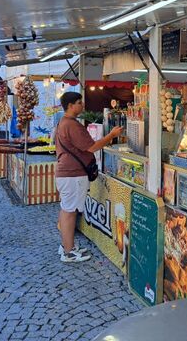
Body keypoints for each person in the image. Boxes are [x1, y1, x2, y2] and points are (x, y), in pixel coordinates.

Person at [55, 92, 122, 263]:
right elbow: (92, 147)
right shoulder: (72, 125)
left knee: (66, 209)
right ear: (70, 106)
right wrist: (111, 135)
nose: (82, 105)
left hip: (67, 173)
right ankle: (68, 252)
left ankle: (66, 246)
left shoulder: (63, 122)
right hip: (73, 174)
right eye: (79, 102)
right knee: (69, 212)